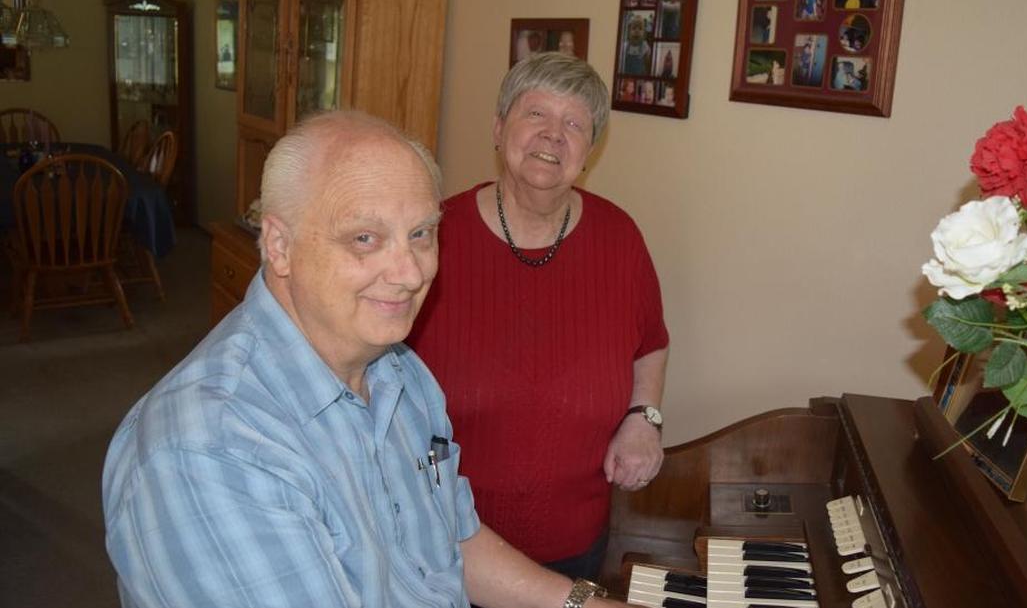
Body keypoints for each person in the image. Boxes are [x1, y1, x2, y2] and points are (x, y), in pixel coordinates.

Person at [102, 110, 629, 608]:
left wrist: (581, 602)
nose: (410, 273)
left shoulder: (399, 370)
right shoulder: (212, 451)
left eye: (421, 234)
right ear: (279, 246)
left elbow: (452, 544)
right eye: (364, 238)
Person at [407, 52, 670, 582]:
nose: (554, 135)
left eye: (574, 124)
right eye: (536, 115)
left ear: (588, 151)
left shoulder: (620, 239)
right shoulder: (433, 236)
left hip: (577, 545)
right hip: (444, 546)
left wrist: (645, 418)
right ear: (500, 128)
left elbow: (651, 341)